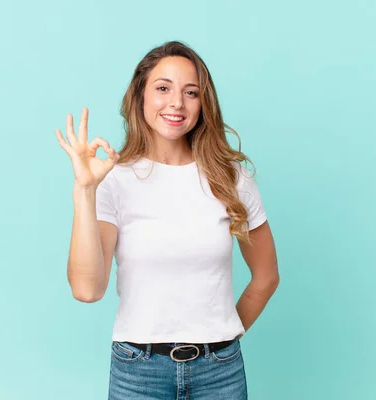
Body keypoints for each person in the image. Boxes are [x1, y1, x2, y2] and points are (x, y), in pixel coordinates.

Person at [55, 41, 280, 400]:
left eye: (191, 92)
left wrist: (223, 342)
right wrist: (85, 191)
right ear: (140, 96)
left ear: (204, 104)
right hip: (137, 373)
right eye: (163, 88)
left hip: (220, 375)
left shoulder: (232, 177)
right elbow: (87, 289)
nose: (177, 102)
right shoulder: (114, 178)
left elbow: (267, 276)